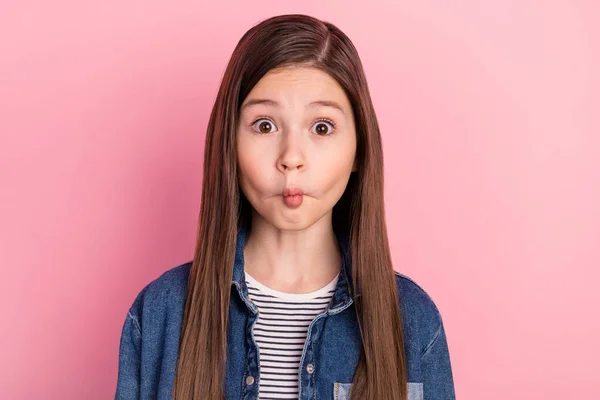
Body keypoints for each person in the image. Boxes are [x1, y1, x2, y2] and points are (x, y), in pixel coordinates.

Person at [115, 13, 456, 400]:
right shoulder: (161, 314)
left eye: (322, 127)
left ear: (360, 148)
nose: (291, 157)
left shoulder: (412, 321)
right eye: (264, 125)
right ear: (229, 144)